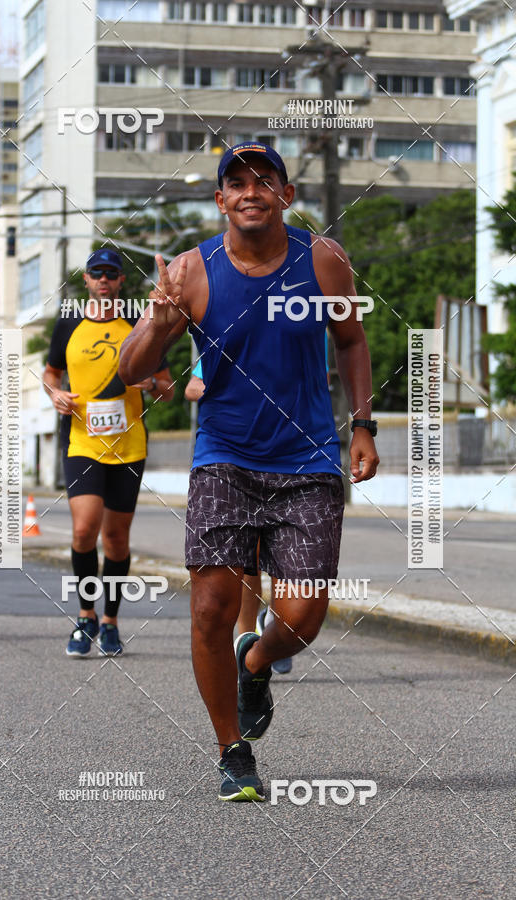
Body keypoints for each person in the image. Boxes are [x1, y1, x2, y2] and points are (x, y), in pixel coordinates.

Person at [119, 142, 379, 801]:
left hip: (308, 460)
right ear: (221, 200)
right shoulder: (190, 271)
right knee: (210, 607)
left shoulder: (323, 259)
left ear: (286, 195)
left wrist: (364, 425)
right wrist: (159, 320)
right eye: (236, 183)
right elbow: (130, 368)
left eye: (265, 180)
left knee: (303, 616)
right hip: (223, 459)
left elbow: (351, 341)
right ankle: (232, 750)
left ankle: (256, 660)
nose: (250, 191)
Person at [43, 249, 174, 658]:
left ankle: (111, 621)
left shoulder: (140, 324)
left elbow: (169, 388)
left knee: (116, 538)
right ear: (85, 279)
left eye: (111, 274)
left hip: (128, 446)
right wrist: (55, 394)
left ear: (120, 281)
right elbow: (50, 373)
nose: (103, 279)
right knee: (85, 530)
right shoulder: (68, 323)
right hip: (81, 442)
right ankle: (86, 616)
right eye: (96, 273)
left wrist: (150, 384)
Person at [185, 360, 292, 673]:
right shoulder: (229, 337)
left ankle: (276, 624)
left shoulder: (307, 331)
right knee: (250, 555)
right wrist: (234, 391)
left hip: (288, 454)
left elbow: (319, 382)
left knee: (285, 554)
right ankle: (246, 639)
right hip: (236, 458)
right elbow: (192, 387)